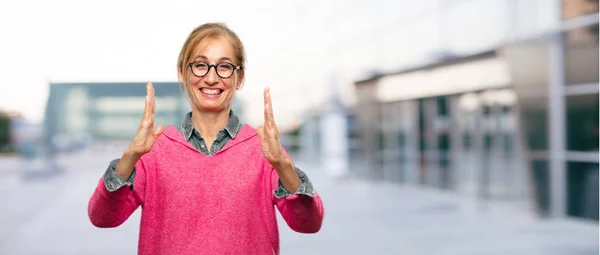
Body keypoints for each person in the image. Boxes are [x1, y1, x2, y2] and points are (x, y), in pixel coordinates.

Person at [87, 23, 324, 255]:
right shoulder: (153, 151)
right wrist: (130, 157)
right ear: (183, 72)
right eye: (200, 65)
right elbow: (102, 218)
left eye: (224, 67)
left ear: (239, 77)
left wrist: (282, 165)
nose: (211, 79)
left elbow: (309, 224)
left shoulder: (264, 150)